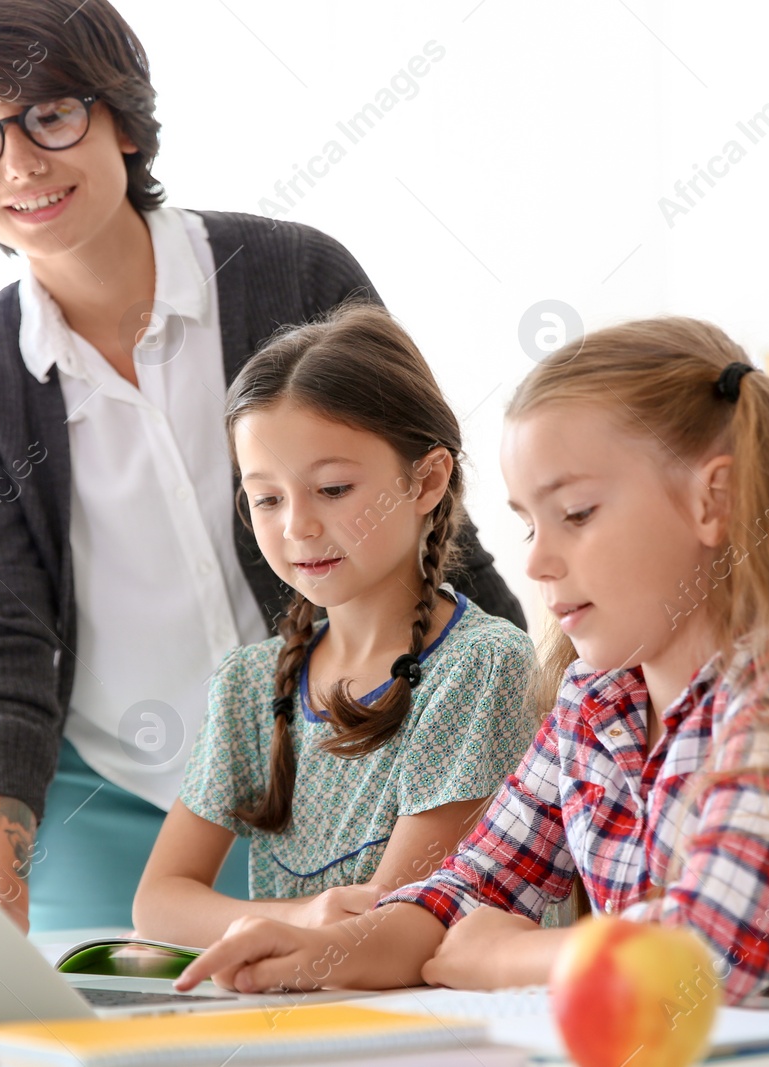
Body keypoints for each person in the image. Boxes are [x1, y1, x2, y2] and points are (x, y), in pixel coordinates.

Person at [0, 0, 525, 933]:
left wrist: (544, 724)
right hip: (104, 795)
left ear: (119, 114)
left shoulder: (294, 277)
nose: (20, 161)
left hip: (351, 756)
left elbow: (427, 510)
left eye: (50, 113)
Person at [176, 317, 769, 1009]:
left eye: (577, 513)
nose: (540, 561)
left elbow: (700, 958)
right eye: (528, 523)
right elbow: (469, 888)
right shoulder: (593, 702)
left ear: (712, 501)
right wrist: (323, 953)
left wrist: (510, 956)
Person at [133, 305, 539, 946]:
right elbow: (158, 902)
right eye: (266, 497)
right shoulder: (249, 683)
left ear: (427, 479)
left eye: (333, 489)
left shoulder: (480, 665)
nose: (297, 526)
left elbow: (393, 920)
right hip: (291, 1023)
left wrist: (273, 928)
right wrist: (297, 917)